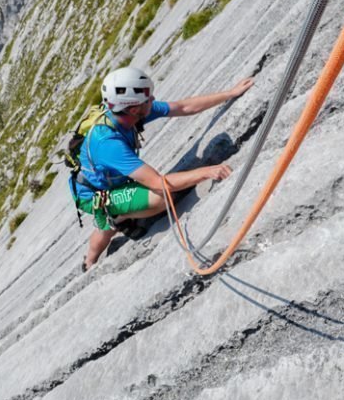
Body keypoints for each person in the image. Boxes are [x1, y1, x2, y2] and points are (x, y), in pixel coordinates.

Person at [71, 66, 254, 270]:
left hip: (114, 179)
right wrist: (206, 171)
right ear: (133, 109)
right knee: (160, 198)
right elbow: (159, 184)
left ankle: (119, 215)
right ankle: (94, 254)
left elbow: (183, 107)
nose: (153, 99)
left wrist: (229, 93)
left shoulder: (128, 113)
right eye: (148, 98)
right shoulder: (108, 143)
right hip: (95, 195)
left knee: (153, 194)